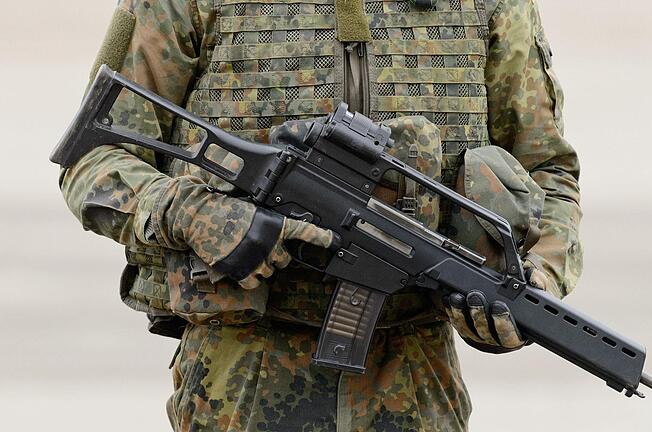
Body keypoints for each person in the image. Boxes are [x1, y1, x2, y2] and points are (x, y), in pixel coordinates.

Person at [57, 0, 582, 430]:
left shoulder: (491, 6)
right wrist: (197, 215)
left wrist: (536, 282)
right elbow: (95, 159)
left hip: (417, 380)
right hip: (239, 378)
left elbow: (549, 171)